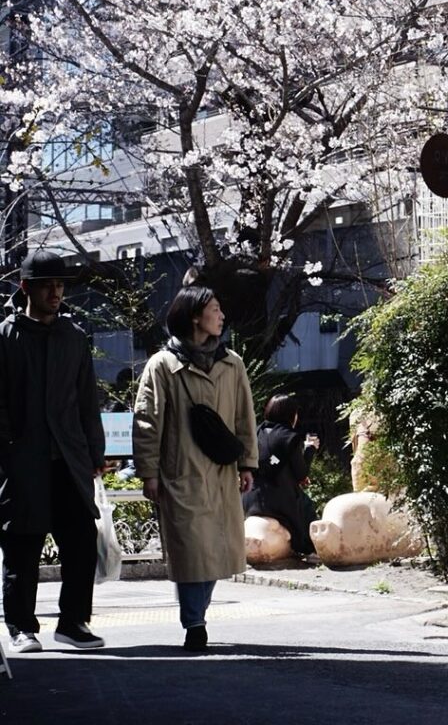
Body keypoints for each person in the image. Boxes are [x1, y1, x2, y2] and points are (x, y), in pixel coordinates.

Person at [133, 284, 258, 653]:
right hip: (180, 472)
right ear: (194, 317)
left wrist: (248, 463)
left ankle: (197, 612)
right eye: (215, 309)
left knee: (217, 549)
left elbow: (244, 417)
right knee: (191, 549)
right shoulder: (163, 365)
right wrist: (149, 472)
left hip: (221, 473)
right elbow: (147, 421)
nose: (221, 316)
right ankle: (195, 622)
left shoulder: (232, 363)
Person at [0, 250, 106, 654]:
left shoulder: (73, 337)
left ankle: (73, 622)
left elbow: (86, 403)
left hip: (68, 458)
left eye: (60, 285)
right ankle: (21, 628)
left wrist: (94, 453)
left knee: (81, 540)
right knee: (22, 546)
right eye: (47, 285)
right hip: (22, 459)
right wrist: (9, 447)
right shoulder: (5, 336)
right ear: (25, 287)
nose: (56, 292)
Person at [243, 393, 320, 557]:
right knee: (306, 504)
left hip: (249, 499)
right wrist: (310, 449)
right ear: (291, 415)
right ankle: (310, 548)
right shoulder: (290, 438)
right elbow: (301, 472)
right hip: (276, 502)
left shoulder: (256, 432)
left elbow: (270, 463)